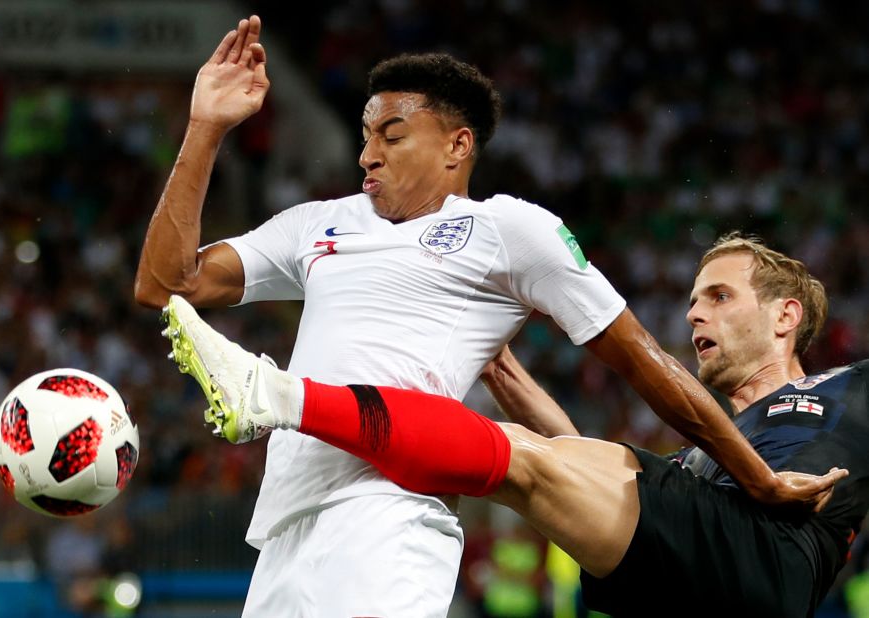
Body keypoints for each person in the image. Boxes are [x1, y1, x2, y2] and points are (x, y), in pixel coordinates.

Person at [137, 15, 837, 616]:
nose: (366, 153)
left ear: (457, 146)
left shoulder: (509, 232)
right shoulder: (318, 224)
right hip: (286, 523)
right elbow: (166, 284)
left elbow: (642, 361)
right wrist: (205, 127)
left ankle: (270, 391)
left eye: (392, 134)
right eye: (365, 133)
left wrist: (758, 479)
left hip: (387, 511)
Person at [162, 234, 860, 617]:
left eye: (718, 296)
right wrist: (501, 371)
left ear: (785, 315)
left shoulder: (851, 387)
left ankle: (278, 396)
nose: (694, 314)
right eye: (692, 299)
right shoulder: (699, 464)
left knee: (523, 459)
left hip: (767, 558)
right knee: (537, 454)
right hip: (686, 587)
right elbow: (574, 455)